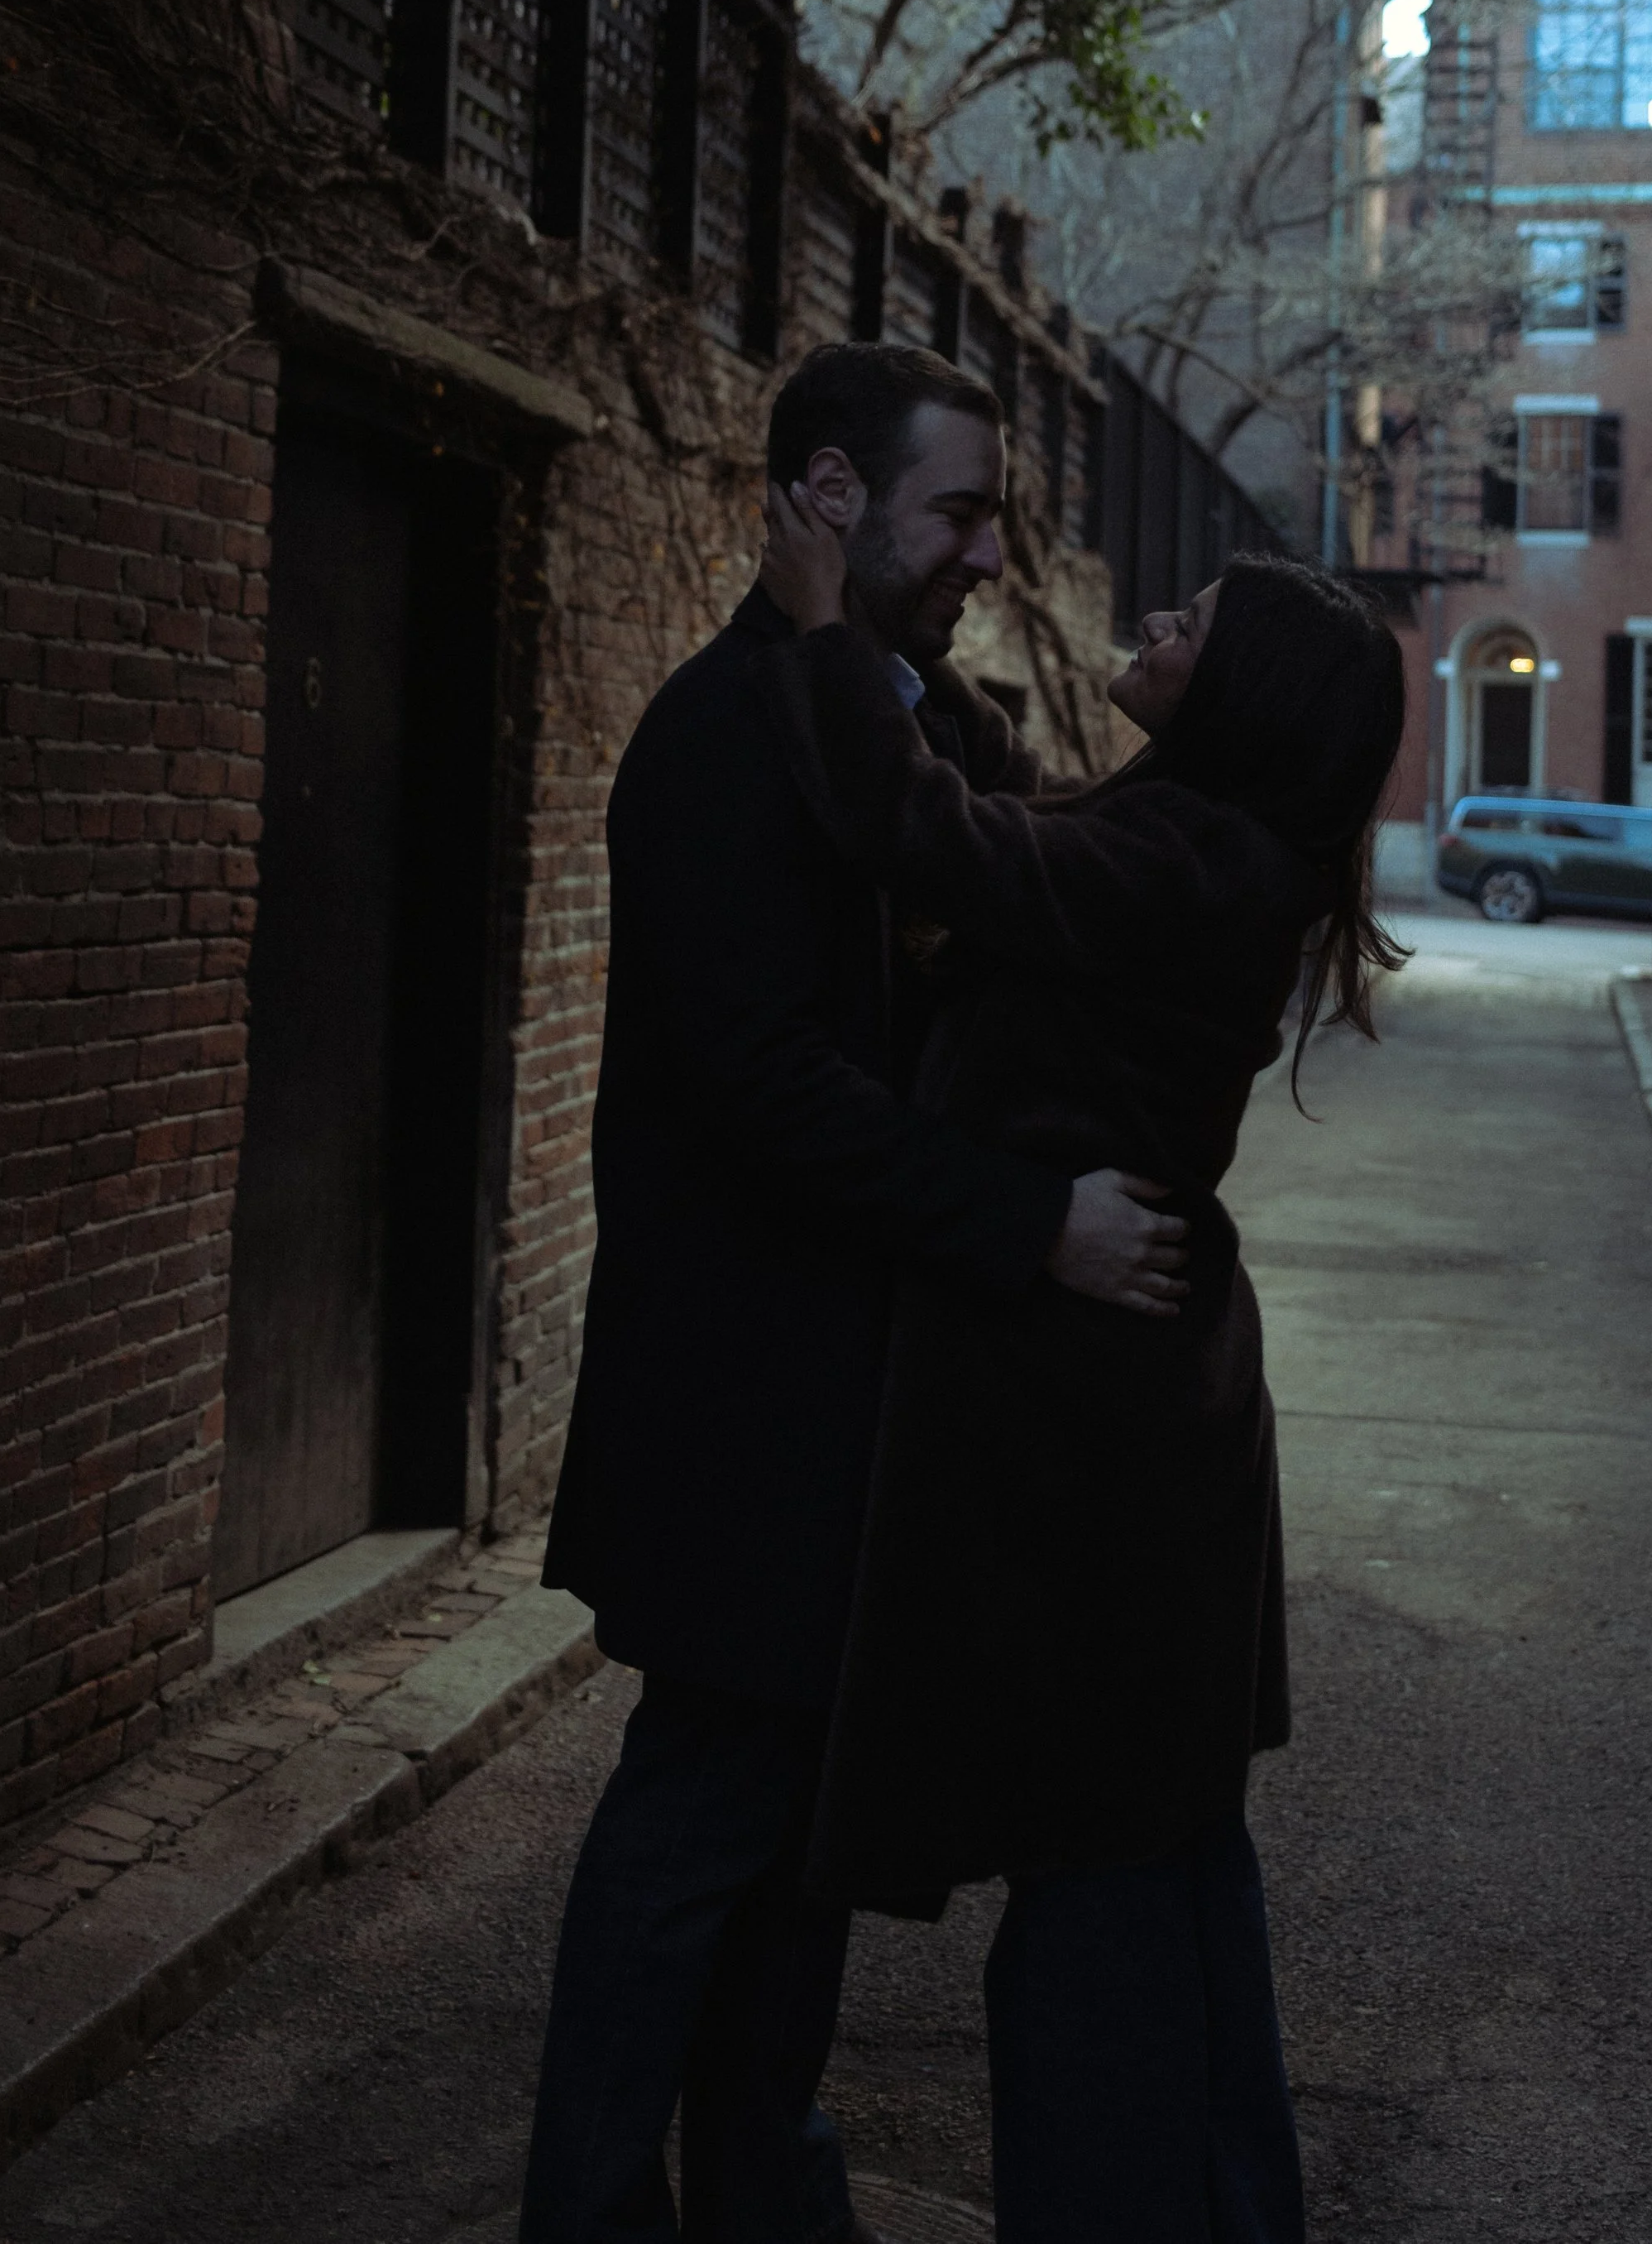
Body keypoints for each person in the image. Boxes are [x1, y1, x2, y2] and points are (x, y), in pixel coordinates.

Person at [519, 345, 1181, 2244]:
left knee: (797, 1843)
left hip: (860, 1408)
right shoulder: (719, 734)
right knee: (689, 1832)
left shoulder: (911, 727)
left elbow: (1041, 866)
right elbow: (765, 1084)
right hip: (741, 1401)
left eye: (995, 515)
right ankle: (587, 2217)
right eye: (955, 511)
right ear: (827, 497)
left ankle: (761, 2198)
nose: (989, 552)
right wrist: (1027, 1225)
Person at [757, 490, 1410, 2244]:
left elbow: (945, 844)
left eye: (1197, 626)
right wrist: (904, 672)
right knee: (1156, 1857)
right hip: (1130, 1418)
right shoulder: (1192, 837)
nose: (1161, 623)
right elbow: (1011, 804)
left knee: (1104, 1881)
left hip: (1107, 1448)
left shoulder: (1196, 868)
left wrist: (821, 630)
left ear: (1244, 699)